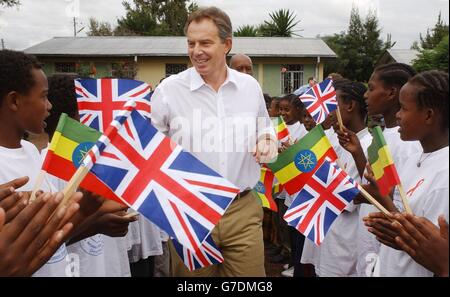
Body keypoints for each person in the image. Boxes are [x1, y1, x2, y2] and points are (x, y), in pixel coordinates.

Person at [151, 6, 277, 277]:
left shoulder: (249, 87)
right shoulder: (168, 91)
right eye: (191, 43)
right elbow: (150, 150)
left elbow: (265, 128)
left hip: (242, 210)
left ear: (227, 44)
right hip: (189, 213)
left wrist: (268, 140)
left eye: (205, 43)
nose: (197, 51)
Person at [363, 70, 449, 277]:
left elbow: (430, 251)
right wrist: (382, 198)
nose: (398, 115)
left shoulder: (445, 175)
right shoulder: (416, 158)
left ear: (429, 115)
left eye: (403, 108)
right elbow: (407, 227)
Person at [356, 62, 421, 276]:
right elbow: (377, 185)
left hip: (391, 243)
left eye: (371, 88)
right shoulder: (384, 135)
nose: (366, 95)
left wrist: (368, 195)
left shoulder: (409, 143)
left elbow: (398, 200)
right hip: (375, 236)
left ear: (392, 92)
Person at [312, 79, 372, 277]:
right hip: (331, 235)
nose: (329, 112)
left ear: (350, 106)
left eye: (334, 105)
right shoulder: (346, 142)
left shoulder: (367, 145)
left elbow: (353, 195)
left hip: (345, 240)